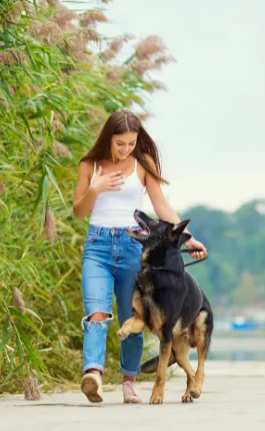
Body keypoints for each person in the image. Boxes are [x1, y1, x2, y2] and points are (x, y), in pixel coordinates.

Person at [71, 110, 208, 404]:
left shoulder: (142, 164)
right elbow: (79, 211)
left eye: (131, 143)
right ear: (108, 138)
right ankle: (93, 374)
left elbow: (161, 207)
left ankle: (129, 383)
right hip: (97, 247)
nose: (125, 149)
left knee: (134, 318)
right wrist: (96, 187)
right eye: (120, 143)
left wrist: (189, 237)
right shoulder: (89, 165)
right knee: (96, 314)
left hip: (133, 249)